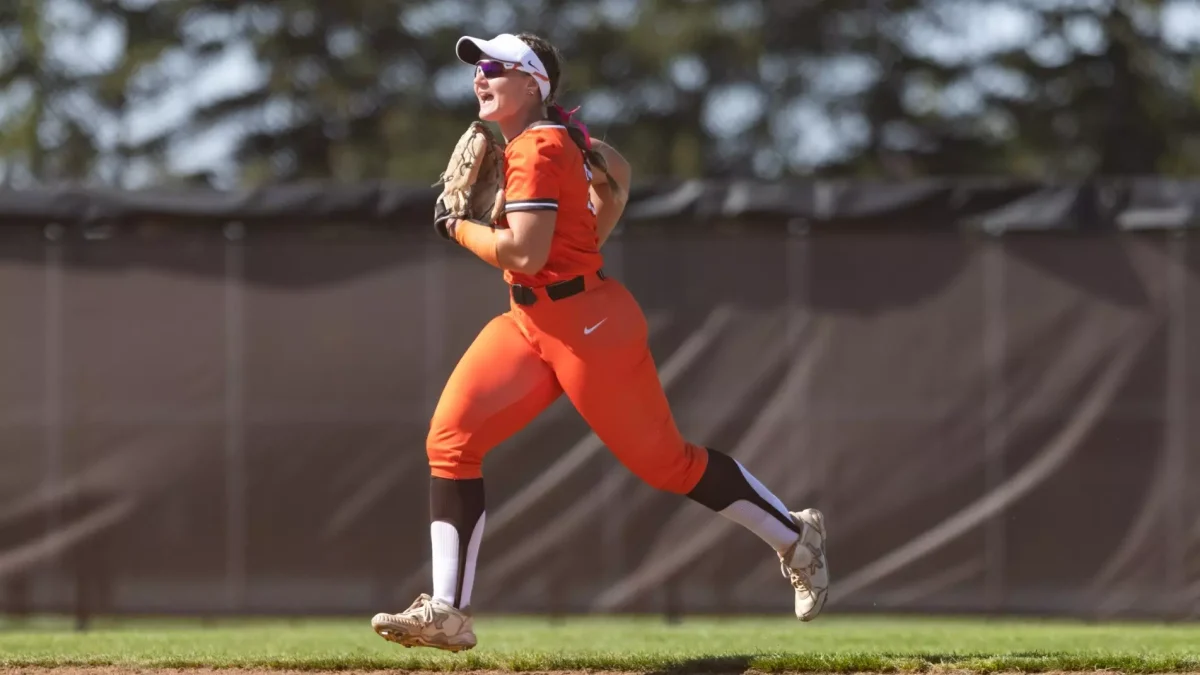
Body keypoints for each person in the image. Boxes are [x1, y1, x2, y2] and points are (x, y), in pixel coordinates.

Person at [370, 32, 829, 653]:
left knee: (666, 463)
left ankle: (794, 535)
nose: (480, 77)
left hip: (589, 327)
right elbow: (618, 176)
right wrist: (588, 230)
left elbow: (525, 252)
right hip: (528, 321)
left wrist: (456, 226)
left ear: (534, 83)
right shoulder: (563, 140)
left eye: (497, 68)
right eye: (477, 68)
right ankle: (447, 610)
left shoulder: (536, 149)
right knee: (450, 442)